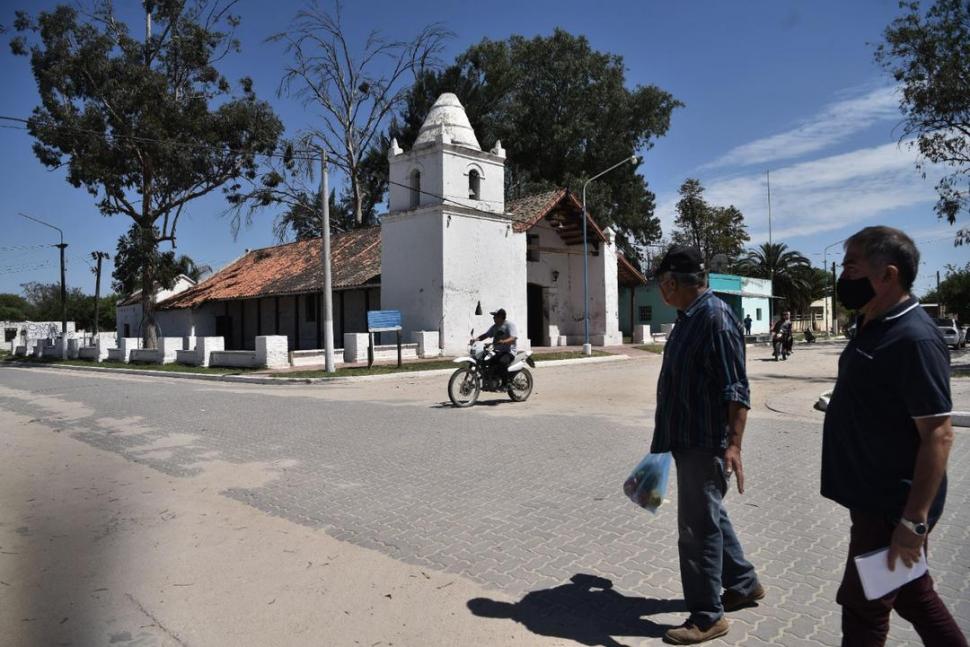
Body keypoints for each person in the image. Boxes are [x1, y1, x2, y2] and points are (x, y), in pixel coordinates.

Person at [822, 226, 967, 647]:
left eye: (851, 266)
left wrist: (912, 522)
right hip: (875, 501)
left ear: (887, 275)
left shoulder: (913, 338)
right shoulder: (874, 323)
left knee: (864, 609)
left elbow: (939, 435)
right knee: (914, 595)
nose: (842, 276)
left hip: (894, 506)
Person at [649, 245, 763, 645]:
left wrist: (734, 445)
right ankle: (745, 584)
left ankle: (707, 615)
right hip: (686, 438)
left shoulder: (714, 318)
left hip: (705, 442)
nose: (662, 291)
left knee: (697, 530)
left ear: (674, 282)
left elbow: (737, 388)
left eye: (663, 283)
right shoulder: (689, 318)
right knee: (711, 515)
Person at [472, 308, 518, 381]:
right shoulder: (495, 327)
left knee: (502, 362)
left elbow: (513, 338)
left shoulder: (509, 325)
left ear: (501, 317)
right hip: (498, 351)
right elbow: (486, 335)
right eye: (493, 316)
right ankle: (492, 379)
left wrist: (503, 341)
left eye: (495, 316)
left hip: (509, 352)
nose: (493, 318)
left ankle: (505, 383)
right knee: (486, 361)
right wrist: (476, 339)